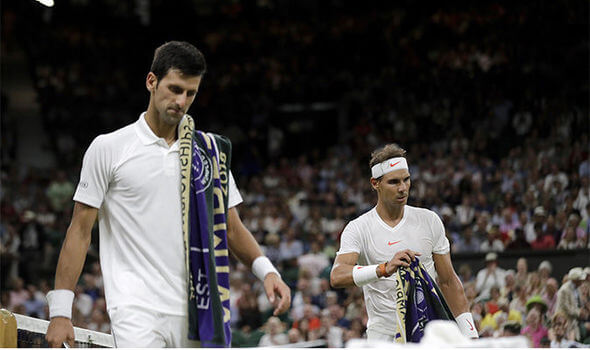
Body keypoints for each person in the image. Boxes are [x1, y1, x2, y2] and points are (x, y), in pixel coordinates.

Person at [45, 41, 291, 348]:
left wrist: (267, 272)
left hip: (197, 307)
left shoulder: (209, 153)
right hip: (135, 307)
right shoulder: (109, 148)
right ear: (151, 81)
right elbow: (79, 232)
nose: (181, 100)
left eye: (190, 93)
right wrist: (60, 312)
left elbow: (230, 227)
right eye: (174, 89)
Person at [330, 143, 478, 342]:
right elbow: (337, 275)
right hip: (383, 338)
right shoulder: (358, 228)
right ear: (375, 184)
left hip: (428, 335)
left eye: (406, 180)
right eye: (393, 182)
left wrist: (471, 336)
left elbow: (449, 281)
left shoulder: (429, 220)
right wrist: (384, 269)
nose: (402, 188)